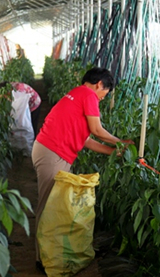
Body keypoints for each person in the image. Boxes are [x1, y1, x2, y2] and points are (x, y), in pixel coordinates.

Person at [31, 67, 134, 266]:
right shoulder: (88, 95)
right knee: (48, 207)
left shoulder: (76, 94)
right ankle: (43, 260)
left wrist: (114, 151)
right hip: (52, 153)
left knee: (55, 205)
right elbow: (97, 130)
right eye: (106, 93)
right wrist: (122, 143)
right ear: (99, 85)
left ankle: (50, 255)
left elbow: (85, 139)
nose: (104, 98)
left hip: (49, 151)